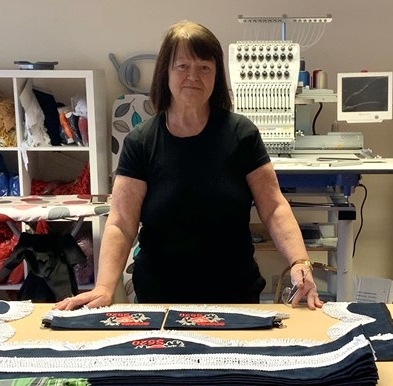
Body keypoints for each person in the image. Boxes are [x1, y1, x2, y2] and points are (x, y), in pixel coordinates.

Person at [55, 20, 323, 310]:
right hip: (160, 299)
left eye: (204, 67)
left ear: (216, 75)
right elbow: (121, 222)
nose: (193, 76)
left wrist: (299, 261)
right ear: (165, 73)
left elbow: (273, 207)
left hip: (234, 295)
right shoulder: (141, 142)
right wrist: (105, 287)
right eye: (182, 66)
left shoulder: (242, 135)